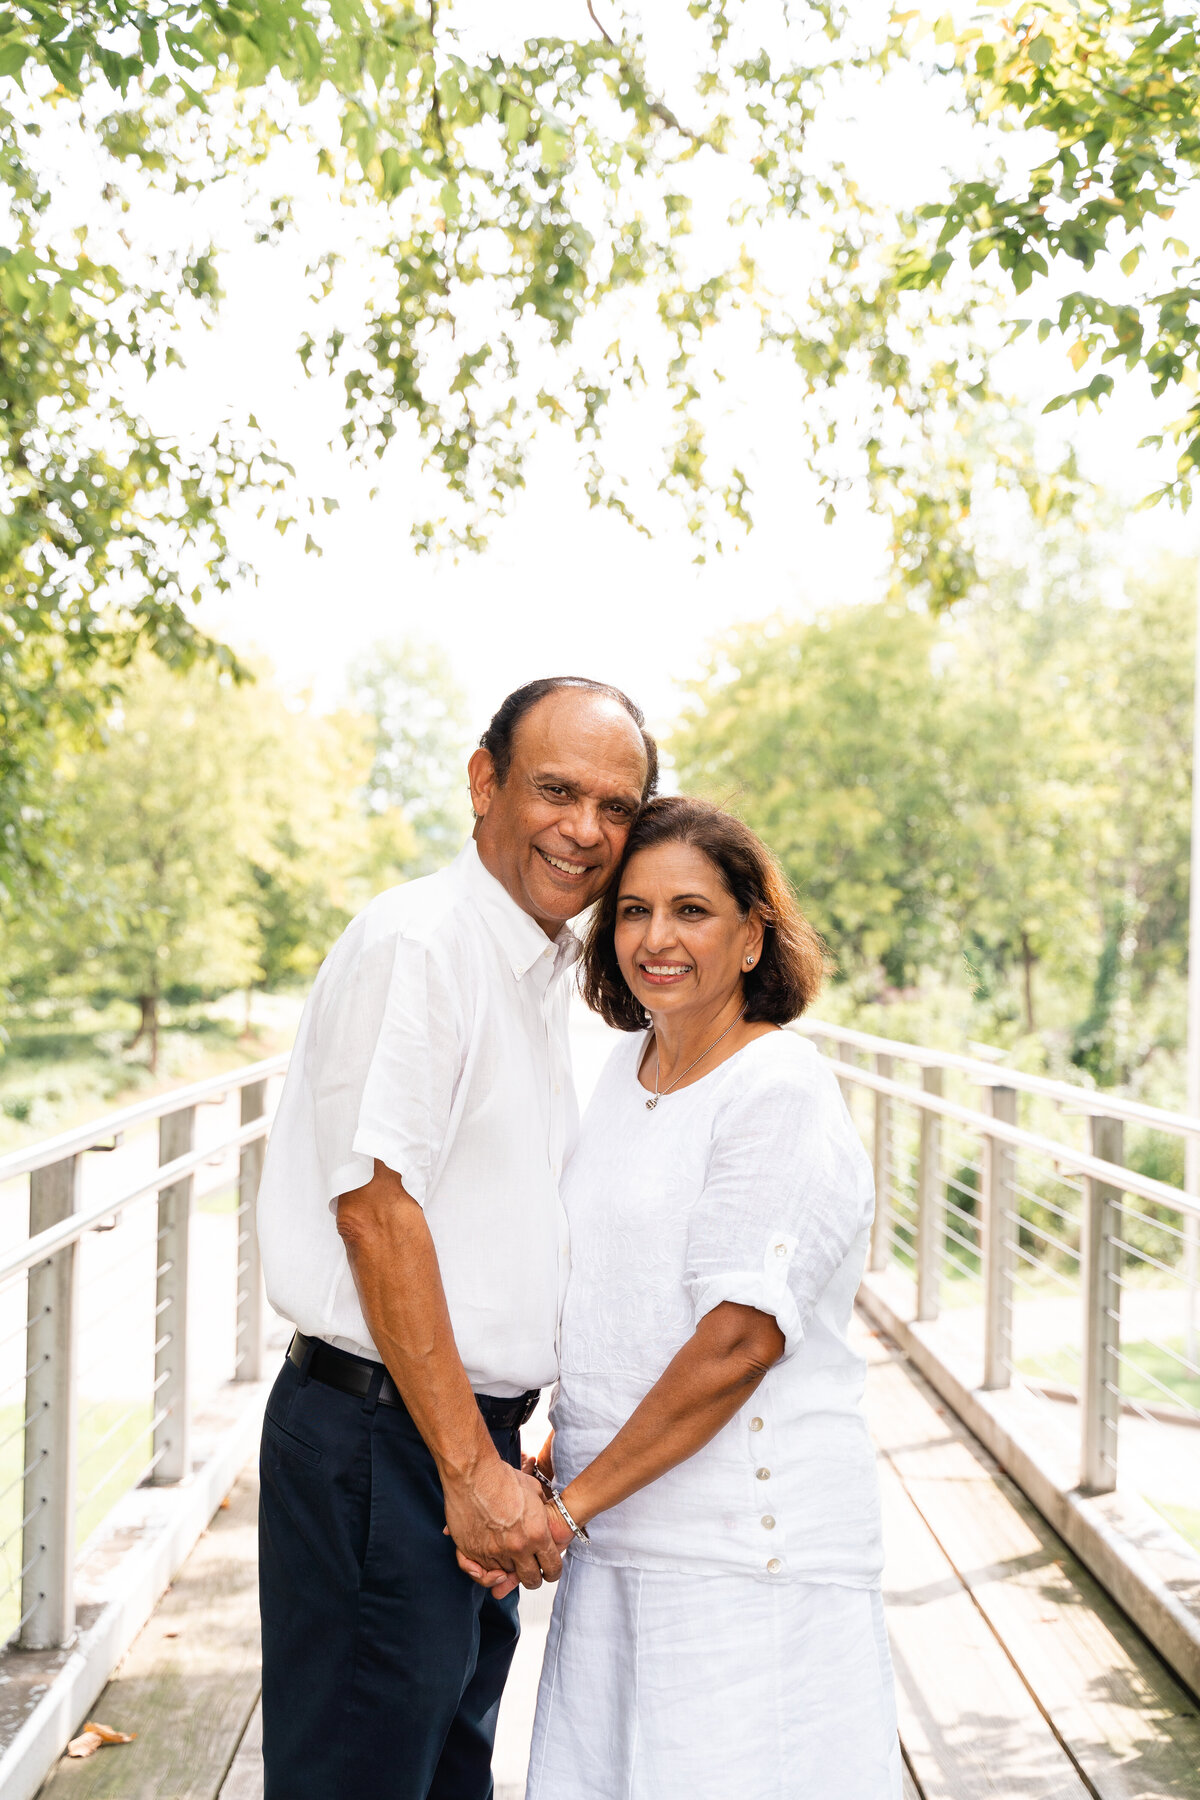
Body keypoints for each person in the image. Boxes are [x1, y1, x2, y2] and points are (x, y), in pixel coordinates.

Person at [254, 676, 655, 1800]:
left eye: (616, 807)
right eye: (557, 790)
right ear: (485, 781)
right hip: (391, 1447)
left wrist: (499, 1432)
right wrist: (466, 1465)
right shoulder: (423, 945)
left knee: (441, 1774)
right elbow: (377, 1213)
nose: (585, 830)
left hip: (444, 1438)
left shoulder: (534, 969)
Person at [472, 794, 900, 1799]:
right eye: (631, 910)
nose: (655, 938)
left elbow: (737, 1342)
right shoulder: (625, 1070)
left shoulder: (777, 1087)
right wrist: (554, 1460)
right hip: (619, 1528)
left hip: (740, 1554)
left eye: (691, 911)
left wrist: (565, 1509)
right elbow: (620, 1294)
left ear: (754, 935)